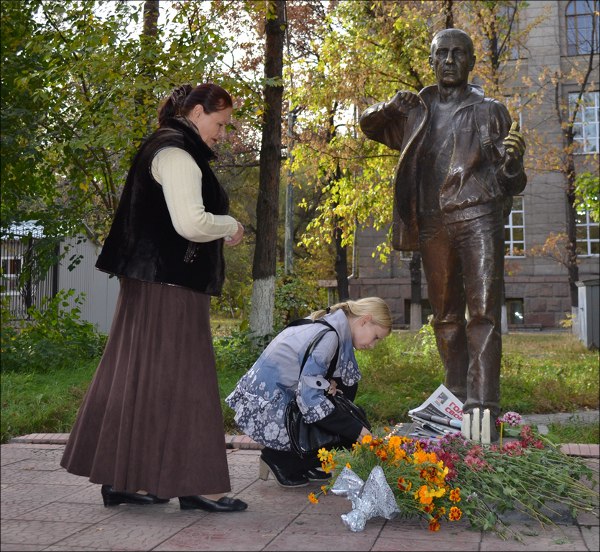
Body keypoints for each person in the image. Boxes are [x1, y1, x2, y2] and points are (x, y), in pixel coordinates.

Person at [60, 83, 248, 512]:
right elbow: (191, 223)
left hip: (150, 284)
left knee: (139, 379)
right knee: (187, 383)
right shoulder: (177, 153)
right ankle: (199, 485)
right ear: (198, 112)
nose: (222, 133)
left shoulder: (165, 147)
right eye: (220, 123)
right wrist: (230, 225)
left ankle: (124, 480)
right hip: (170, 287)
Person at [359, 29, 526, 441]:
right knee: (445, 316)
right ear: (432, 62)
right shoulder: (418, 109)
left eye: (458, 54)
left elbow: (511, 182)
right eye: (441, 54)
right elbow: (368, 126)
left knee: (483, 310)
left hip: (478, 216)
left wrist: (512, 164)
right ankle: (456, 394)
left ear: (471, 62)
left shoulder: (491, 111)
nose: (449, 61)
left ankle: (483, 402)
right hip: (433, 222)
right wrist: (387, 105)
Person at [226, 297, 393, 488]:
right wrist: (356, 430)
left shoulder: (331, 325)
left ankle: (300, 460)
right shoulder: (329, 337)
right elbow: (309, 399)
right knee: (351, 429)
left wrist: (329, 384)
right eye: (376, 337)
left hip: (274, 398)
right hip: (270, 407)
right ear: (365, 320)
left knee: (348, 415)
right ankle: (279, 459)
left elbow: (310, 377)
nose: (373, 346)